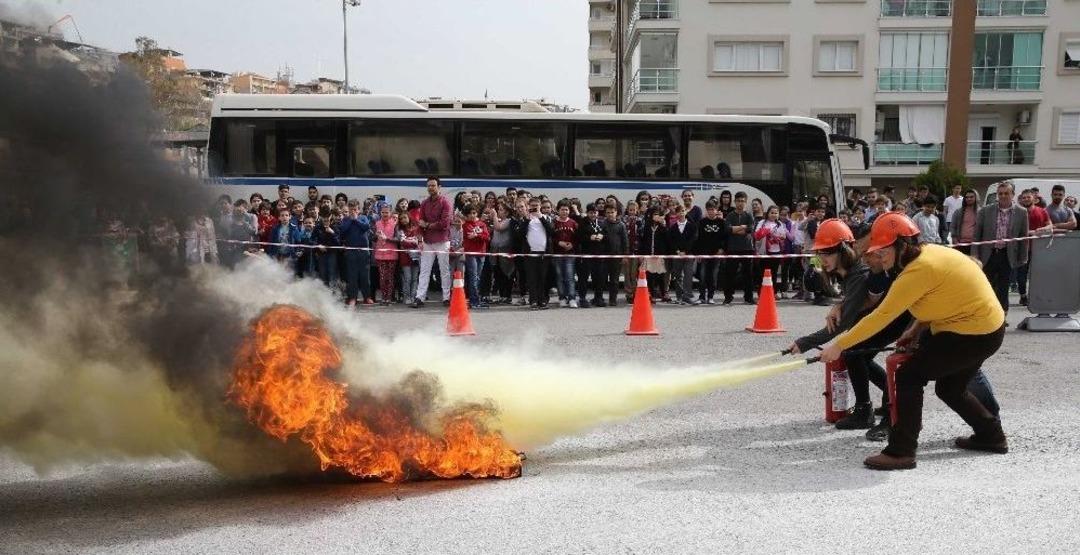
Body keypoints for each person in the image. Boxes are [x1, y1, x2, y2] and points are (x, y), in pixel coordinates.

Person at [820, 212, 1008, 470]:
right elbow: (943, 293)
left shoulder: (915, 272)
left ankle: (901, 451)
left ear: (902, 246)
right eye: (877, 252)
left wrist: (839, 345)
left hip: (972, 332)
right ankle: (991, 436)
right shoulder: (929, 252)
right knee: (949, 388)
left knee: (909, 376)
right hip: (983, 329)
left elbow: (880, 317)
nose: (880, 259)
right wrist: (916, 329)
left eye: (884, 252)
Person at [787, 219, 900, 430]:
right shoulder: (848, 271)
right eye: (820, 253)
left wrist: (805, 343)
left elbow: (842, 325)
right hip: (882, 317)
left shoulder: (858, 274)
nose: (822, 258)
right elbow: (853, 303)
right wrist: (839, 303)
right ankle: (888, 399)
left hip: (894, 319)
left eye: (828, 252)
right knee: (860, 355)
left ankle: (865, 411)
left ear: (843, 250)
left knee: (853, 352)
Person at [974, 181, 1028, 320]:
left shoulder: (1022, 212)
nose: (1003, 196)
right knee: (985, 285)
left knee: (1004, 287)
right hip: (988, 254)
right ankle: (985, 314)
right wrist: (975, 255)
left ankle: (1002, 316)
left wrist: (1023, 257)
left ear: (1013, 195)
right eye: (1000, 194)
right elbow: (977, 235)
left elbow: (1023, 236)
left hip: (1007, 255)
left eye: (1006, 193)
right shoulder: (985, 211)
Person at [413, 177, 454, 308]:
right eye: (429, 186)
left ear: (439, 187)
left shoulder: (446, 202)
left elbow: (444, 224)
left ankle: (446, 297)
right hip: (427, 241)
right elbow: (420, 223)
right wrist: (419, 239)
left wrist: (427, 225)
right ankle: (420, 298)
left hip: (442, 241)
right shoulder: (424, 203)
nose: (431, 188)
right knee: (424, 270)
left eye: (433, 185)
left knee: (444, 271)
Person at [517, 197, 554, 309]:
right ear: (528, 206)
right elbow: (520, 235)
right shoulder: (525, 219)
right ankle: (533, 300)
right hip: (530, 253)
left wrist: (541, 217)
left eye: (536, 206)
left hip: (544, 253)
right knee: (532, 278)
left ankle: (542, 300)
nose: (534, 208)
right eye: (532, 206)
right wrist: (527, 219)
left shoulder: (546, 218)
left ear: (540, 207)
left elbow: (551, 231)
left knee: (543, 278)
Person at [724, 192, 756, 305]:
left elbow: (751, 229)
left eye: (743, 201)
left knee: (748, 274)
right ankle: (728, 297)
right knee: (730, 274)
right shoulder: (730, 215)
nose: (740, 203)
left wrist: (735, 229)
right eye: (738, 201)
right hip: (733, 248)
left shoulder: (749, 215)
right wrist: (742, 227)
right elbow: (727, 230)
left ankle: (749, 297)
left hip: (747, 248)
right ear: (735, 202)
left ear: (746, 202)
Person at [752, 206, 791, 299]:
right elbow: (756, 234)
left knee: (773, 274)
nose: (774, 215)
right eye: (772, 213)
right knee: (763, 273)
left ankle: (773, 293)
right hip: (764, 252)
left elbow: (784, 236)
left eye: (776, 213)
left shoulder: (780, 224)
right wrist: (765, 232)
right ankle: (761, 293)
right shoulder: (762, 222)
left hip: (776, 251)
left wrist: (779, 237)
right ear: (768, 213)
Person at [339, 199, 373, 306]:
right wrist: (351, 220)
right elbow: (342, 231)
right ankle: (352, 298)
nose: (353, 211)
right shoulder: (345, 219)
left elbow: (366, 227)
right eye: (351, 209)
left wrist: (356, 220)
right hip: (351, 252)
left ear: (358, 210)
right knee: (352, 276)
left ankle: (366, 297)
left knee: (365, 276)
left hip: (363, 251)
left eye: (355, 209)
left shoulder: (363, 218)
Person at [694, 200, 727, 304]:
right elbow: (697, 239)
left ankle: (711, 297)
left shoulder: (722, 222)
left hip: (716, 253)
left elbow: (725, 237)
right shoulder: (701, 222)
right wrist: (698, 253)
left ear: (716, 210)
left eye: (712, 209)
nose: (711, 212)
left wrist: (722, 249)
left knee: (713, 276)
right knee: (702, 275)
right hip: (704, 253)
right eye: (709, 210)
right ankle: (702, 297)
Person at [461, 204, 491, 309]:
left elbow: (487, 237)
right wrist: (479, 236)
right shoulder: (465, 225)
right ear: (466, 215)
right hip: (471, 254)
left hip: (481, 253)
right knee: (473, 277)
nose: (472, 215)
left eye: (474, 213)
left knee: (478, 277)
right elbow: (470, 237)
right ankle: (474, 300)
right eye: (469, 214)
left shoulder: (482, 224)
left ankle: (476, 299)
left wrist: (477, 235)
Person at [578, 203, 607, 307]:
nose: (593, 214)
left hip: (599, 254)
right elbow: (578, 237)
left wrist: (602, 236)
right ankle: (582, 298)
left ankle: (598, 297)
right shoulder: (582, 223)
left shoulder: (602, 223)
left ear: (597, 212)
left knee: (599, 277)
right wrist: (589, 238)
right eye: (591, 212)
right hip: (586, 254)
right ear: (587, 212)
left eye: (595, 212)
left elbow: (607, 235)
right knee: (584, 278)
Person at [668, 204, 698, 305]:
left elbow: (693, 240)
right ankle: (679, 297)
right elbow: (671, 242)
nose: (681, 213)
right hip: (677, 255)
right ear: (676, 213)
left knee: (688, 275)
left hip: (688, 255)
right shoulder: (672, 228)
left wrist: (685, 251)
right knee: (678, 276)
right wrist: (677, 251)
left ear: (686, 212)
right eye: (679, 211)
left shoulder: (692, 226)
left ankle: (687, 296)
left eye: (683, 211)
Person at [639, 207, 670, 302]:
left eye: (657, 214)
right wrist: (642, 255)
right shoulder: (647, 227)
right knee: (650, 276)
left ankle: (664, 293)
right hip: (649, 254)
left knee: (661, 275)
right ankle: (651, 294)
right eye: (654, 214)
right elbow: (643, 241)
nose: (656, 216)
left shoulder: (662, 226)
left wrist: (663, 224)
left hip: (659, 255)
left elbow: (667, 238)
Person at [601, 205, 630, 306]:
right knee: (602, 278)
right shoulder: (602, 224)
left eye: (612, 212)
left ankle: (613, 299)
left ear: (616, 213)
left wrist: (625, 255)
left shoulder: (621, 225)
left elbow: (625, 241)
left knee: (614, 280)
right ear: (605, 213)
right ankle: (599, 298)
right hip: (604, 256)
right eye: (608, 212)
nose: (610, 214)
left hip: (616, 256)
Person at [552, 202, 579, 308]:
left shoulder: (573, 223)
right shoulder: (554, 223)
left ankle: (572, 298)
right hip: (557, 254)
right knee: (559, 277)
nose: (564, 212)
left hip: (570, 255)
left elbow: (578, 238)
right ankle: (562, 297)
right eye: (562, 209)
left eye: (567, 210)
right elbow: (551, 237)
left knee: (570, 277)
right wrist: (559, 242)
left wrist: (572, 245)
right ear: (558, 210)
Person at [372, 204, 399, 305]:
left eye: (387, 212)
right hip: (380, 254)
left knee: (390, 277)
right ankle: (383, 298)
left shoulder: (395, 224)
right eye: (383, 212)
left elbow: (398, 239)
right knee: (382, 277)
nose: (384, 214)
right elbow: (373, 239)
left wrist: (386, 238)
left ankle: (389, 298)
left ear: (390, 213)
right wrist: (376, 235)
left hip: (392, 255)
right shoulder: (377, 223)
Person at [949, 189, 980, 254]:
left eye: (971, 197)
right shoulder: (958, 212)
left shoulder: (981, 212)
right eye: (967, 197)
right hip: (960, 244)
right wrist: (954, 240)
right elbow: (952, 226)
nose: (969, 199)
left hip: (975, 244)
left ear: (976, 198)